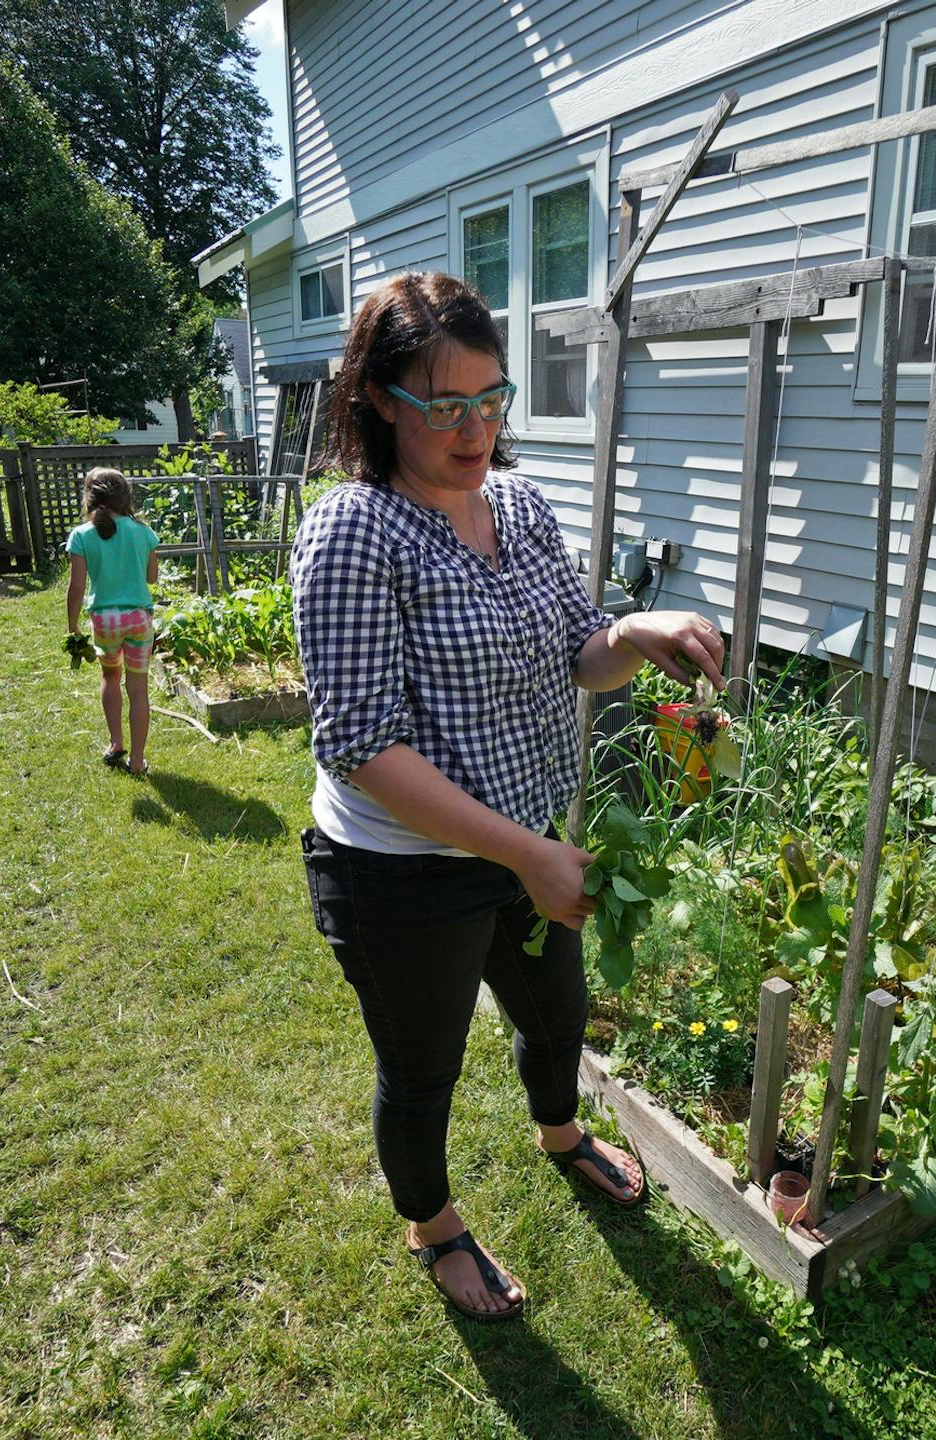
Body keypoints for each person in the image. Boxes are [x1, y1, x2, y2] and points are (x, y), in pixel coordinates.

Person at [292, 272, 725, 1321]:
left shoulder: (519, 505)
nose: (476, 429)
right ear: (379, 399)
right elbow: (362, 745)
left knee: (556, 1013)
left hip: (525, 841)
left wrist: (632, 634)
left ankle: (561, 1132)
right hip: (402, 870)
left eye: (492, 399)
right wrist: (527, 855)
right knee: (423, 1066)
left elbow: (575, 649)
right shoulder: (354, 532)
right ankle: (434, 1224)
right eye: (445, 407)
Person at [65, 467, 159, 775]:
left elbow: (76, 588)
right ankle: (138, 761)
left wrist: (73, 627)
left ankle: (116, 743)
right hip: (139, 618)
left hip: (104, 621)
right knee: (138, 688)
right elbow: (152, 577)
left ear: (90, 497)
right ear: (126, 497)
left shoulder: (81, 535)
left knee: (110, 677)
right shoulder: (143, 532)